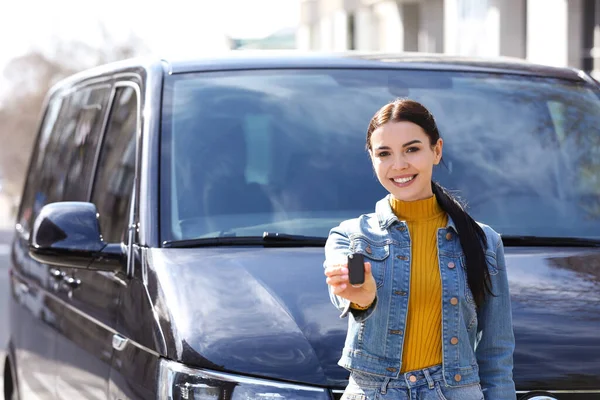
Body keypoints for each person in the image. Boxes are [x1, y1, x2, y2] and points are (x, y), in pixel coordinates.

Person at [323, 99, 515, 399]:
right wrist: (361, 298)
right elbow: (346, 289)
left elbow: (497, 353)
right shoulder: (351, 236)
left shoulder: (484, 241)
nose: (399, 165)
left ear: (436, 150)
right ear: (373, 160)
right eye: (384, 153)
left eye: (412, 149)